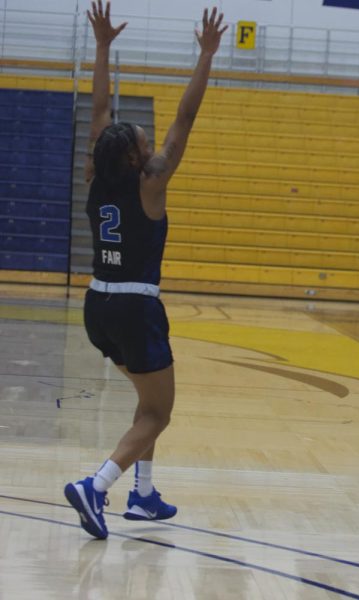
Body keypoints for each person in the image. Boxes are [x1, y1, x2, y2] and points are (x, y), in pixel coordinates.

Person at [64, 1, 227, 539]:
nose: (149, 140)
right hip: (135, 305)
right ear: (137, 160)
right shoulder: (150, 183)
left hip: (98, 304)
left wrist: (104, 47)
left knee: (145, 400)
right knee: (158, 413)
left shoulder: (96, 171)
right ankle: (98, 484)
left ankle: (145, 494)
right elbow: (185, 118)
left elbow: (100, 109)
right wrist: (205, 55)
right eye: (143, 140)